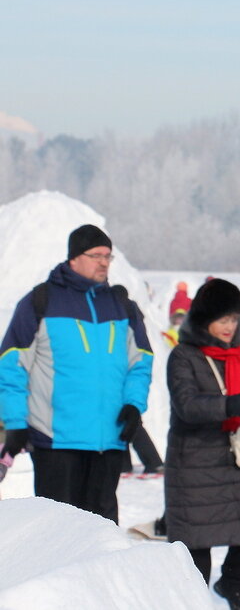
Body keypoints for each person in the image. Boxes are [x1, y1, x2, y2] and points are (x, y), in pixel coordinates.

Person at [0, 224, 153, 523]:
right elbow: (11, 366)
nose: (104, 263)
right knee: (57, 535)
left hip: (108, 441)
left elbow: (142, 361)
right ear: (74, 258)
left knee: (101, 536)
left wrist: (134, 404)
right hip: (56, 443)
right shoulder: (40, 302)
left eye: (108, 256)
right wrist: (16, 423)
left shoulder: (122, 306)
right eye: (96, 255)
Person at [164, 279, 240, 610]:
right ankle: (194, 601)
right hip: (196, 463)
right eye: (223, 320)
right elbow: (186, 405)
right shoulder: (183, 356)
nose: (229, 327)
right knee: (195, 548)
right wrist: (228, 406)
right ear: (205, 320)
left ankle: (233, 583)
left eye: (233, 319)